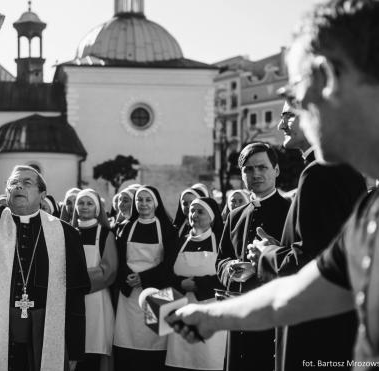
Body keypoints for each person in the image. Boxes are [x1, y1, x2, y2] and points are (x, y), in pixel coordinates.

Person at [168, 1, 379, 369]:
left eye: (295, 90)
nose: (293, 110)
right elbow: (299, 293)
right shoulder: (375, 209)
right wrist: (208, 318)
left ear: (326, 77)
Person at [0, 124, 90, 371]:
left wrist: (75, 348)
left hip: (47, 328)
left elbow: (76, 296)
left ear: (42, 193)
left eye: (27, 183)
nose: (18, 187)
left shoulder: (66, 234)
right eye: (13, 183)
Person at [249, 103, 366, 370]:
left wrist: (265, 254)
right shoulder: (342, 168)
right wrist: (281, 247)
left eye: (288, 115)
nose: (280, 125)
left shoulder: (318, 172)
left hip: (314, 329)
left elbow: (311, 263)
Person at [215, 142, 291, 371]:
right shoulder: (235, 216)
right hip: (238, 317)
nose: (255, 174)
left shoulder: (291, 211)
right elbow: (220, 260)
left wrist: (257, 268)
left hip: (274, 320)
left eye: (262, 167)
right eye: (248, 169)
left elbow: (299, 260)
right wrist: (230, 269)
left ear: (276, 170)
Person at [113, 185, 177, 371]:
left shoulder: (168, 230)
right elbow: (118, 258)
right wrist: (129, 276)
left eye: (148, 200)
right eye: (139, 200)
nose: (143, 204)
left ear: (156, 203)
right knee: (127, 342)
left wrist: (143, 277)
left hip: (159, 293)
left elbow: (170, 264)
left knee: (155, 344)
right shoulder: (125, 228)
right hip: (130, 293)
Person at [166, 197, 226, 371]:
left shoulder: (222, 242)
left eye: (200, 211)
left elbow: (226, 274)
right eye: (192, 210)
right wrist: (180, 283)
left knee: (209, 360)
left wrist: (199, 284)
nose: (194, 215)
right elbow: (164, 274)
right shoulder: (178, 242)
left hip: (210, 311)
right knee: (181, 361)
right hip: (180, 312)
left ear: (212, 216)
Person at [71, 189, 118, 371]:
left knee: (93, 351)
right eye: (80, 203)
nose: (84, 207)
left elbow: (109, 270)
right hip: (71, 298)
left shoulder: (106, 234)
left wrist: (77, 281)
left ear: (97, 209)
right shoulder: (67, 231)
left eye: (89, 203)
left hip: (96, 299)